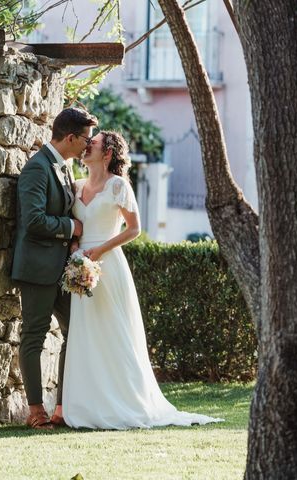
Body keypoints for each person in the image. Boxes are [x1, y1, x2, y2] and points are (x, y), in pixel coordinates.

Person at [62, 131, 223, 429]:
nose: (87, 146)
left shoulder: (118, 186)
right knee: (86, 335)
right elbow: (76, 226)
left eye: (93, 143)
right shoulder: (77, 185)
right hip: (80, 265)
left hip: (108, 265)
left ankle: (127, 402)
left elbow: (134, 229)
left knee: (114, 334)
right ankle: (88, 405)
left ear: (107, 153)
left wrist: (99, 250)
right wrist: (76, 250)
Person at [11, 107, 98, 430]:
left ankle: (62, 406)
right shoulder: (37, 168)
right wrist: (70, 228)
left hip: (61, 271)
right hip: (36, 269)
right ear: (71, 137)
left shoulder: (62, 168)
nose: (88, 146)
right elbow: (33, 221)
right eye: (85, 140)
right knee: (33, 337)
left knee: (77, 332)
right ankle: (36, 411)